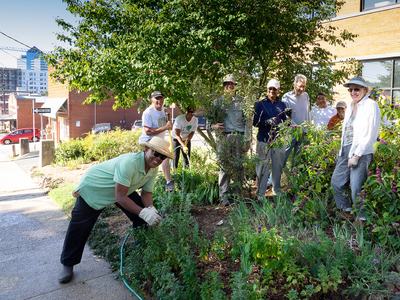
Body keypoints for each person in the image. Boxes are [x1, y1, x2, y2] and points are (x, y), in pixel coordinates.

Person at [58, 136, 173, 284]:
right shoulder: (130, 163)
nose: (158, 159)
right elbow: (120, 197)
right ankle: (68, 264)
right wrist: (143, 212)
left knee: (141, 217)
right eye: (155, 153)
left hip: (123, 187)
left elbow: (146, 193)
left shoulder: (152, 169)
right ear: (146, 149)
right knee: (80, 227)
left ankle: (143, 249)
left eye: (162, 156)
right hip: (95, 188)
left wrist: (150, 209)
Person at [331, 76, 380, 221]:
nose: (353, 92)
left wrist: (356, 155)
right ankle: (346, 211)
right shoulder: (351, 105)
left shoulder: (371, 105)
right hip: (345, 150)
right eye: (351, 89)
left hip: (361, 152)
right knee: (336, 182)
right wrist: (342, 152)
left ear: (365, 90)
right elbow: (346, 131)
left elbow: (370, 132)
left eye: (357, 89)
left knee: (356, 188)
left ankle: (362, 219)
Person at [211, 74, 250, 206]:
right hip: (224, 138)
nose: (229, 86)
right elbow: (209, 123)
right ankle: (224, 197)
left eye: (232, 84)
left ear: (235, 86)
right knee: (224, 168)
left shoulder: (241, 102)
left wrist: (248, 139)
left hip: (239, 137)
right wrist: (214, 126)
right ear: (223, 86)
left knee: (239, 167)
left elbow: (247, 122)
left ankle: (239, 196)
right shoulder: (217, 102)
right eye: (227, 84)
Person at [253, 79, 288, 197]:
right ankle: (260, 193)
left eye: (275, 89)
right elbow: (255, 122)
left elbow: (286, 122)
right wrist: (266, 122)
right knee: (262, 167)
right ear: (267, 90)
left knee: (277, 166)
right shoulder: (260, 104)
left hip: (278, 140)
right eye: (270, 89)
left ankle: (276, 190)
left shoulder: (282, 105)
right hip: (263, 139)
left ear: (278, 90)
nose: (272, 91)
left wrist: (286, 122)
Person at [139, 91, 174, 191]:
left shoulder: (164, 109)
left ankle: (168, 184)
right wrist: (165, 127)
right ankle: (143, 186)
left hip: (159, 141)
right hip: (148, 142)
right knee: (149, 164)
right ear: (151, 100)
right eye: (156, 98)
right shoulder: (148, 112)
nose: (159, 100)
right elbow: (148, 131)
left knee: (164, 158)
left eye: (161, 98)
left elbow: (167, 123)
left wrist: (168, 119)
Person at [282, 74, 311, 163]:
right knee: (283, 157)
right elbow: (285, 115)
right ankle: (273, 177)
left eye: (304, 86)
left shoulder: (306, 95)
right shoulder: (286, 97)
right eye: (300, 86)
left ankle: (294, 176)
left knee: (298, 160)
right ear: (294, 84)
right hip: (291, 133)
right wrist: (293, 125)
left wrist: (309, 127)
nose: (302, 89)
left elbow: (307, 112)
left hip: (304, 133)